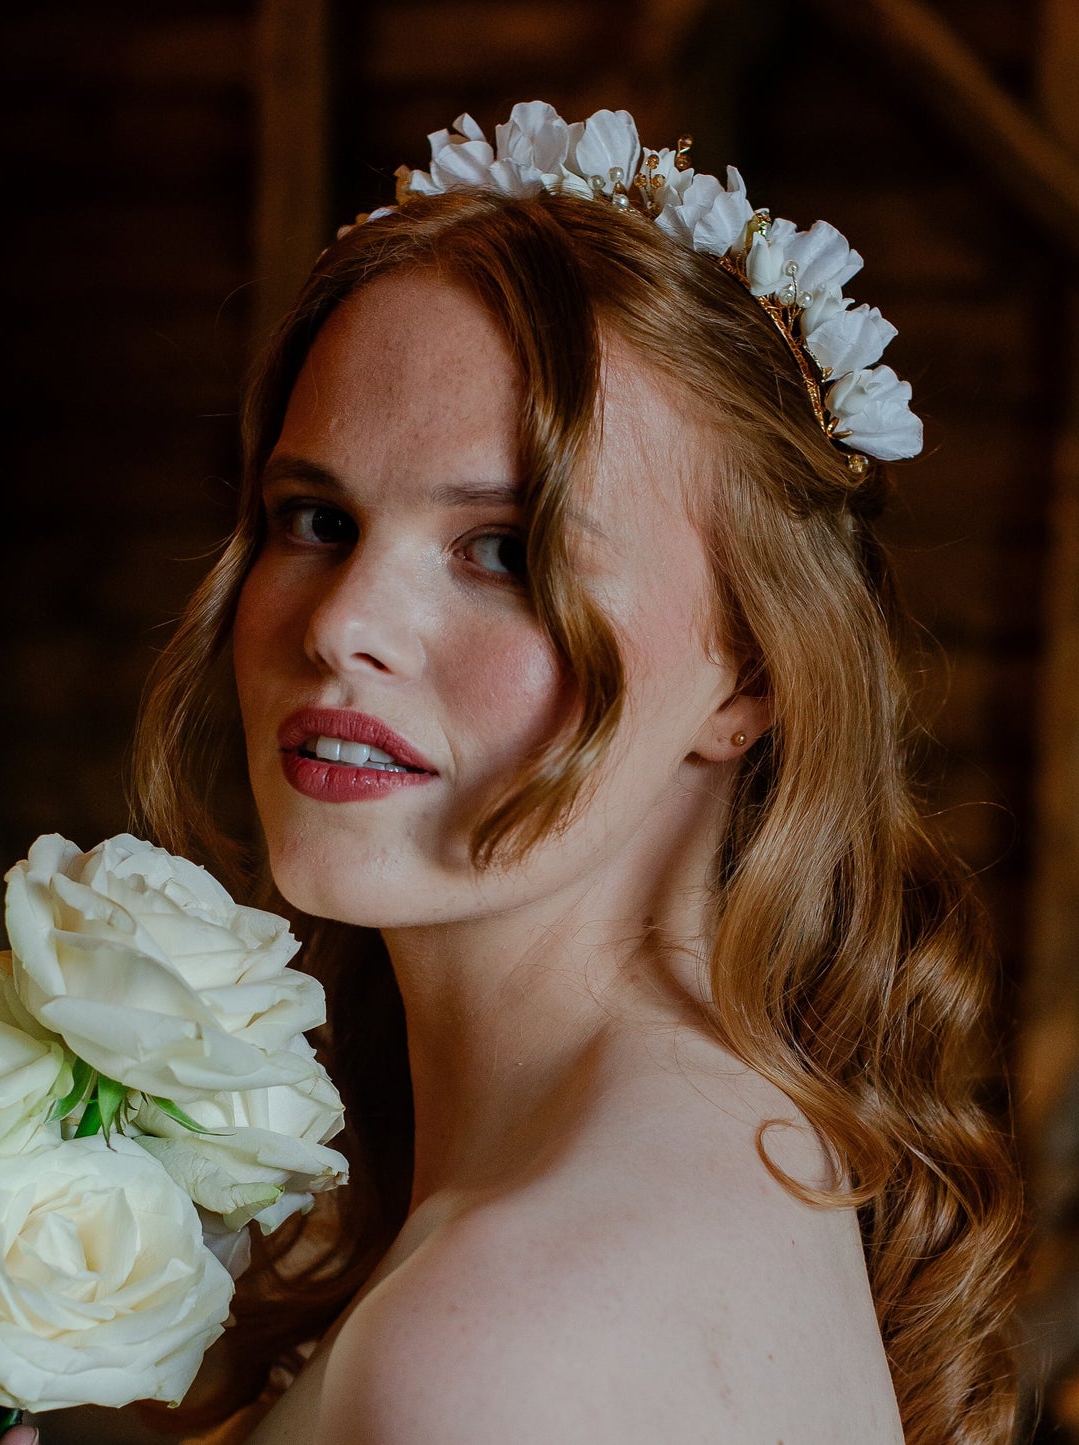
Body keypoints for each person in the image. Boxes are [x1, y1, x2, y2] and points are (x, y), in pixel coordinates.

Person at [120, 101, 1023, 1445]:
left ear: (749, 672)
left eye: (501, 549)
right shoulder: (724, 1150)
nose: (340, 621)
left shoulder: (501, 1338)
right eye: (315, 518)